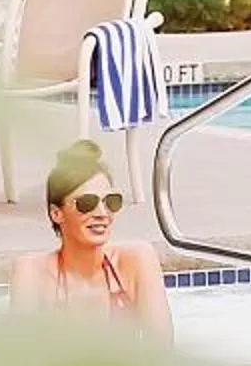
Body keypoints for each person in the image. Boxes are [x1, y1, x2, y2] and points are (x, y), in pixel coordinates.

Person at [12, 141, 172, 338]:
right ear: (56, 213)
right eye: (87, 203)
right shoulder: (32, 272)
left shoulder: (136, 261)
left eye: (111, 202)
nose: (102, 213)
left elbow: (161, 353)